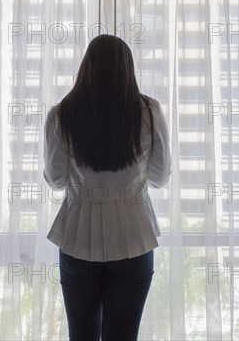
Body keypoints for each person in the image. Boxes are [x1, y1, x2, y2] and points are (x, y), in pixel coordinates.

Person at [43, 34, 172, 341]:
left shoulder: (62, 114)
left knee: (81, 335)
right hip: (134, 238)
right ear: (128, 68)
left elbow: (55, 178)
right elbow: (159, 175)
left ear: (86, 67)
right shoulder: (149, 111)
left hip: (77, 239)